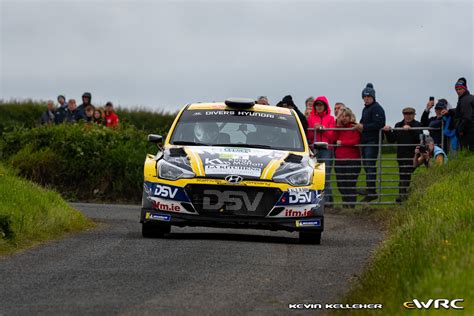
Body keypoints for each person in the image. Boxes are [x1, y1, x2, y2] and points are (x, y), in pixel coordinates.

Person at [383, 107, 422, 203]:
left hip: (413, 156)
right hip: (401, 155)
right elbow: (392, 139)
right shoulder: (398, 125)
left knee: (405, 174)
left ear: (414, 115)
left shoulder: (417, 125)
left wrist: (411, 130)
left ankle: (402, 196)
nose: (408, 116)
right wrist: (387, 132)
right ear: (403, 115)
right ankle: (403, 196)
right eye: (406, 114)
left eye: (410, 114)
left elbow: (419, 139)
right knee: (403, 175)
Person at [355, 83, 386, 202]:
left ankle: (371, 190)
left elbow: (379, 124)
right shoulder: (366, 109)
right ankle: (370, 190)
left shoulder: (377, 108)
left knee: (370, 165)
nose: (366, 98)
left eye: (369, 97)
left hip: (372, 141)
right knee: (367, 166)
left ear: (373, 97)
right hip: (366, 141)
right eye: (365, 97)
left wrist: (363, 127)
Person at [307, 96, 335, 204]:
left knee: (325, 176)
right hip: (315, 150)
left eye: (321, 104)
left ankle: (327, 202)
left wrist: (322, 129)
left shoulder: (331, 118)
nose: (319, 107)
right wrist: (315, 129)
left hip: (327, 150)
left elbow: (332, 135)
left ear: (325, 106)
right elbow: (309, 135)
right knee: (314, 176)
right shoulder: (311, 118)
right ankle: (316, 202)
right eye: (317, 105)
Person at [333, 108, 361, 207]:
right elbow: (333, 138)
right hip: (339, 160)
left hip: (352, 160)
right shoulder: (340, 128)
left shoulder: (354, 127)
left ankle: (351, 205)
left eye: (346, 116)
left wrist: (343, 143)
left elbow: (356, 141)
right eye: (342, 116)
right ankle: (346, 203)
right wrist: (338, 124)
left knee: (350, 183)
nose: (344, 118)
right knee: (341, 184)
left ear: (350, 117)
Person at [454, 77, 474, 151]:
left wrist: (460, 130)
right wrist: (450, 111)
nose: (458, 91)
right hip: (470, 131)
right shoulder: (468, 98)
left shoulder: (465, 100)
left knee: (467, 154)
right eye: (456, 89)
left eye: (460, 89)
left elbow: (467, 117)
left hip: (467, 133)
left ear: (465, 89)